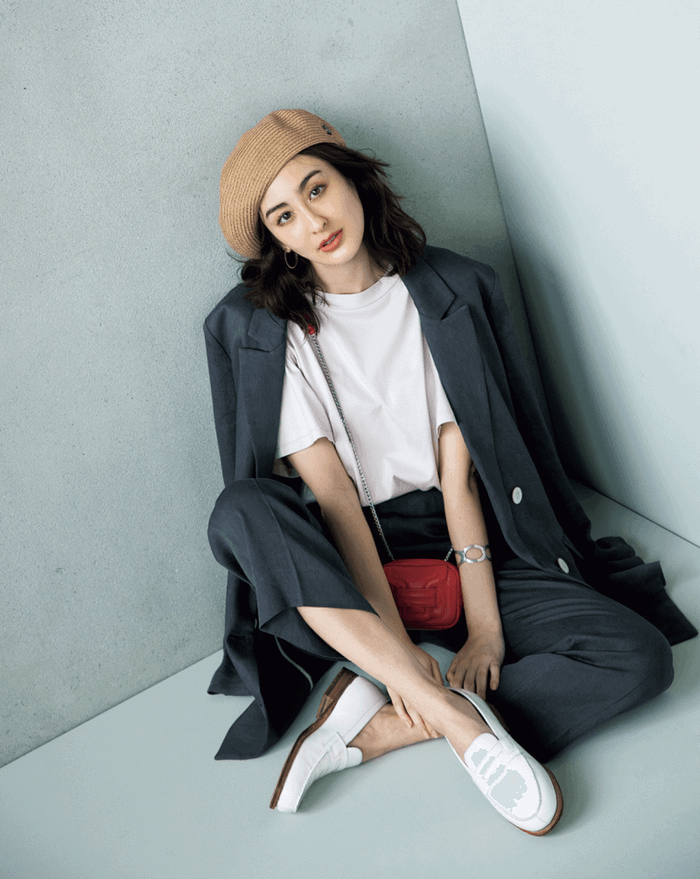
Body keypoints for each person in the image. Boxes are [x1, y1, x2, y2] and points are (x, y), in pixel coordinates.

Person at [204, 109, 692, 832]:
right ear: (276, 240)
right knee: (242, 508)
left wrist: (486, 630)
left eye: (317, 188)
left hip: (467, 537)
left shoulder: (449, 291)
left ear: (353, 179)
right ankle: (450, 717)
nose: (314, 221)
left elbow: (460, 475)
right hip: (343, 567)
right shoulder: (270, 332)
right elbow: (335, 499)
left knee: (640, 657)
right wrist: (404, 661)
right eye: (284, 216)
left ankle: (387, 724)